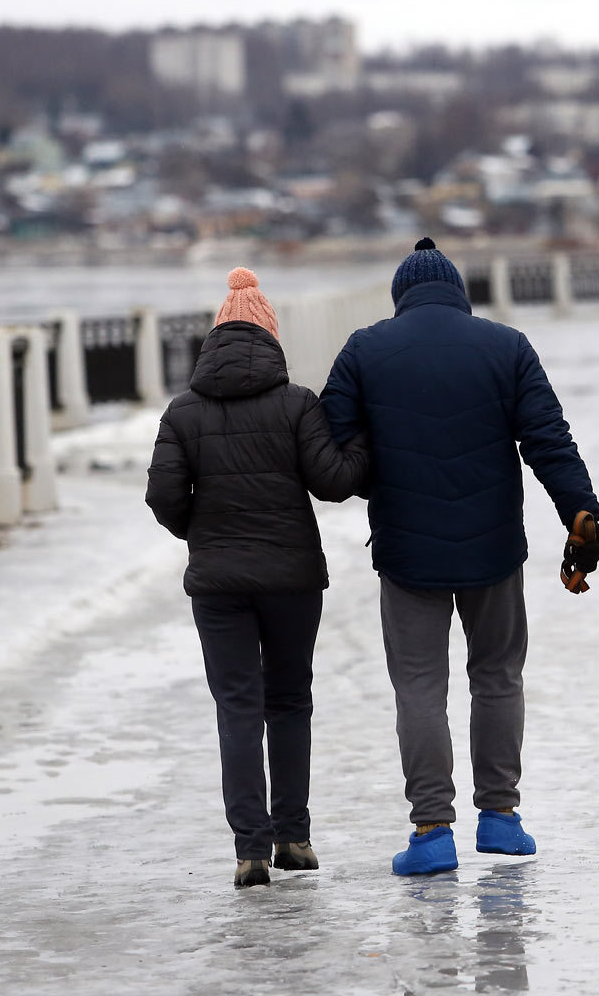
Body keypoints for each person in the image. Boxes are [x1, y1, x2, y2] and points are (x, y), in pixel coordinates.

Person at [319, 237, 599, 875]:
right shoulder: (507, 347)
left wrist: (384, 473)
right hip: (494, 547)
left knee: (419, 684)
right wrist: (579, 513)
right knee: (498, 675)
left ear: (401, 297)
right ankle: (500, 819)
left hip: (406, 549)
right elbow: (548, 440)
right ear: (458, 294)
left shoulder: (364, 350)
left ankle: (431, 829)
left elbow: (333, 454)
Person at [146, 267, 368, 889]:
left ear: (214, 341)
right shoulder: (296, 403)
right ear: (270, 336)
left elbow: (162, 493)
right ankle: (293, 837)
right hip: (292, 578)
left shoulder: (182, 412)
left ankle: (250, 849)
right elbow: (333, 482)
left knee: (237, 707)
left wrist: (201, 532)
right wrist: (367, 444)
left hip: (218, 584)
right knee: (290, 699)